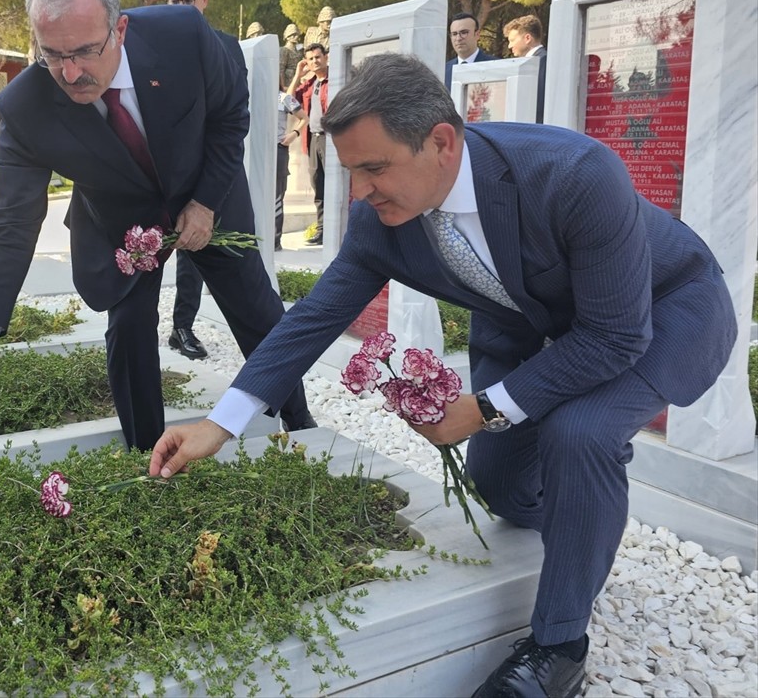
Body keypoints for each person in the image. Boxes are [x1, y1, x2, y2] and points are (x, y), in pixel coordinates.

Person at [149, 52, 735, 698]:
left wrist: (483, 408)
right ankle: (585, 524)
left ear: (442, 143)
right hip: (533, 329)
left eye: (375, 169)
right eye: (351, 172)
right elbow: (314, 318)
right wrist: (219, 425)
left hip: (660, 309)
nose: (361, 193)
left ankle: (559, 648)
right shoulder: (381, 220)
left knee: (580, 434)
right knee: (498, 484)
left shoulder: (573, 175)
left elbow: (615, 336)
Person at [0, 0, 315, 451]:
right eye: (52, 55)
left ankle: (301, 425)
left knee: (256, 311)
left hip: (208, 190)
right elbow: (9, 225)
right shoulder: (26, 106)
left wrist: (205, 203)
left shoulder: (182, 35)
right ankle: (148, 454)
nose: (70, 73)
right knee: (129, 329)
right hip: (122, 219)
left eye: (85, 51)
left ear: (119, 29)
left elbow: (229, 116)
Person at [161, 0, 246, 361]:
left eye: (188, 1)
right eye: (173, 1)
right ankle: (154, 334)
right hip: (163, 172)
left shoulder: (226, 47)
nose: (180, 8)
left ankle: (185, 326)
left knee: (207, 251)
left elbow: (232, 116)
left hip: (212, 170)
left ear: (204, 1)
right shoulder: (149, 45)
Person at [287, 43, 329, 245]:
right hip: (313, 139)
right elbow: (288, 100)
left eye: (318, 57)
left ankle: (337, 229)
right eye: (311, 59)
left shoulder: (336, 80)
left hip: (331, 139)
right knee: (318, 186)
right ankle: (322, 230)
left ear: (326, 57)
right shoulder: (310, 84)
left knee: (334, 186)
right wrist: (298, 74)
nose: (315, 61)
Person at [274, 87, 307, 251]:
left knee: (276, 197)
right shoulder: (253, 94)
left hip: (278, 149)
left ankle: (275, 241)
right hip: (258, 150)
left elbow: (304, 118)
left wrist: (294, 134)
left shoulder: (283, 98)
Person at [503, 14, 548, 123]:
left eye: (512, 40)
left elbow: (538, 101)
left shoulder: (542, 62)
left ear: (527, 38)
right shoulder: (540, 61)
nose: (509, 46)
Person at [444, 12, 495, 90]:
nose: (458, 38)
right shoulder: (444, 71)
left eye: (464, 32)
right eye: (454, 34)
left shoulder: (494, 66)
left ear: (477, 34)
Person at [279, 23, 301, 92]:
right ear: (288, 37)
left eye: (297, 35)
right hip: (288, 81)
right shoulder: (284, 50)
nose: (296, 37)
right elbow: (281, 68)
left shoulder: (298, 51)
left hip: (297, 80)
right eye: (293, 35)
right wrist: (283, 86)